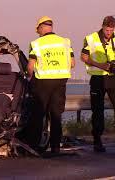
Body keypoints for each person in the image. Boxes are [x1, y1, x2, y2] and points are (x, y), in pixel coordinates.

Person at [26, 16, 75, 154]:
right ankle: (55, 147)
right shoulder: (65, 42)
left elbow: (30, 67)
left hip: (42, 82)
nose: (39, 33)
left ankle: (33, 146)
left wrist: (29, 76)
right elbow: (72, 63)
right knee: (56, 114)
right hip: (60, 81)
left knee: (38, 114)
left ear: (41, 27)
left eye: (38, 30)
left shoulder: (36, 43)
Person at [81, 16, 115, 152]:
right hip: (97, 78)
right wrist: (101, 65)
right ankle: (97, 141)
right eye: (107, 30)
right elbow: (84, 57)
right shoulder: (91, 38)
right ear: (102, 27)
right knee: (97, 111)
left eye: (111, 30)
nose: (109, 33)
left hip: (113, 78)